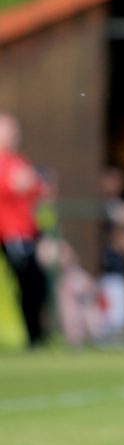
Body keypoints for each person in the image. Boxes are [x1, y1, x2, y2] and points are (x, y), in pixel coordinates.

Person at [0, 113, 49, 348]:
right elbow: (19, 184)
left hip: (24, 233)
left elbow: (39, 189)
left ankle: (35, 335)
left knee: (35, 283)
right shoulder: (6, 162)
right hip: (10, 233)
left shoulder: (19, 160)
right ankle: (31, 335)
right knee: (28, 282)